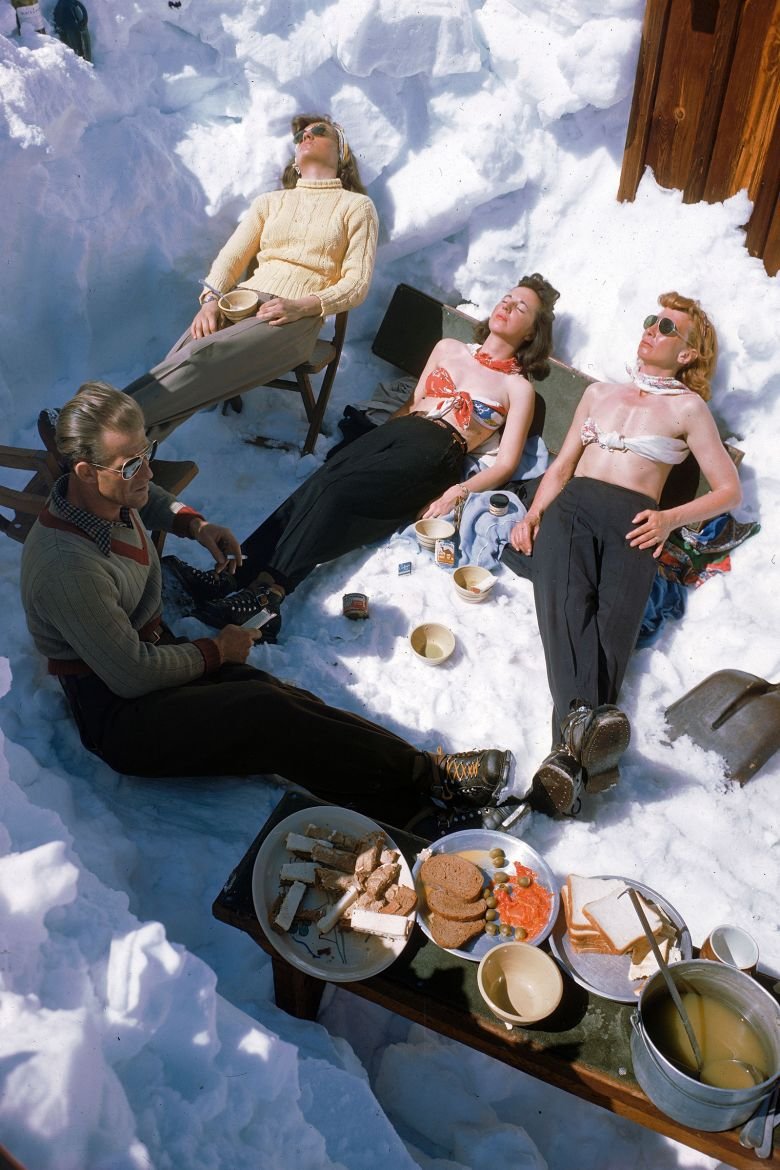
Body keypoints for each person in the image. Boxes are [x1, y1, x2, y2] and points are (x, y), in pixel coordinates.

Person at [20, 382, 517, 831]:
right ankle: (423, 809)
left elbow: (144, 497)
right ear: (85, 471)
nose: (145, 470)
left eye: (146, 452)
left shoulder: (103, 492)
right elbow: (129, 673)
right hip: (119, 713)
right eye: (131, 463)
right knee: (263, 715)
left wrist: (194, 524)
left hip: (151, 653)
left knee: (281, 698)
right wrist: (217, 650)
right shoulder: (67, 566)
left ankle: (427, 779)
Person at [164, 274, 560, 630]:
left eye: (521, 306)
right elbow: (413, 402)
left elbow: (507, 461)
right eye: (506, 297)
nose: (507, 305)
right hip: (402, 429)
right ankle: (233, 574)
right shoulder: (448, 347)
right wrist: (373, 443)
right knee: (321, 483)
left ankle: (270, 595)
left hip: (441, 448)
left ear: (531, 334)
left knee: (339, 495)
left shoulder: (518, 388)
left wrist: (458, 491)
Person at [508, 291, 742, 816]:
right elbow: (563, 465)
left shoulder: (688, 407)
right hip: (573, 511)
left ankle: (563, 765)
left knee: (610, 640)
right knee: (569, 614)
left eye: (666, 327)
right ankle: (581, 754)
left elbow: (729, 491)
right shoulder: (600, 394)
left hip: (638, 526)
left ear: (687, 354)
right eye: (650, 321)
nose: (651, 330)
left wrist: (668, 519)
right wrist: (532, 515)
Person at [122, 115, 378, 442]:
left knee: (201, 357)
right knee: (183, 355)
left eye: (318, 131)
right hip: (242, 303)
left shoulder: (356, 207)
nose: (305, 137)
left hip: (294, 317)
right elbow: (231, 257)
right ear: (295, 160)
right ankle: (119, 454)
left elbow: (356, 284)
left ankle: (101, 424)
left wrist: (303, 306)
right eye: (300, 135)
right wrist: (211, 300)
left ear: (341, 154)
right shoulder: (270, 202)